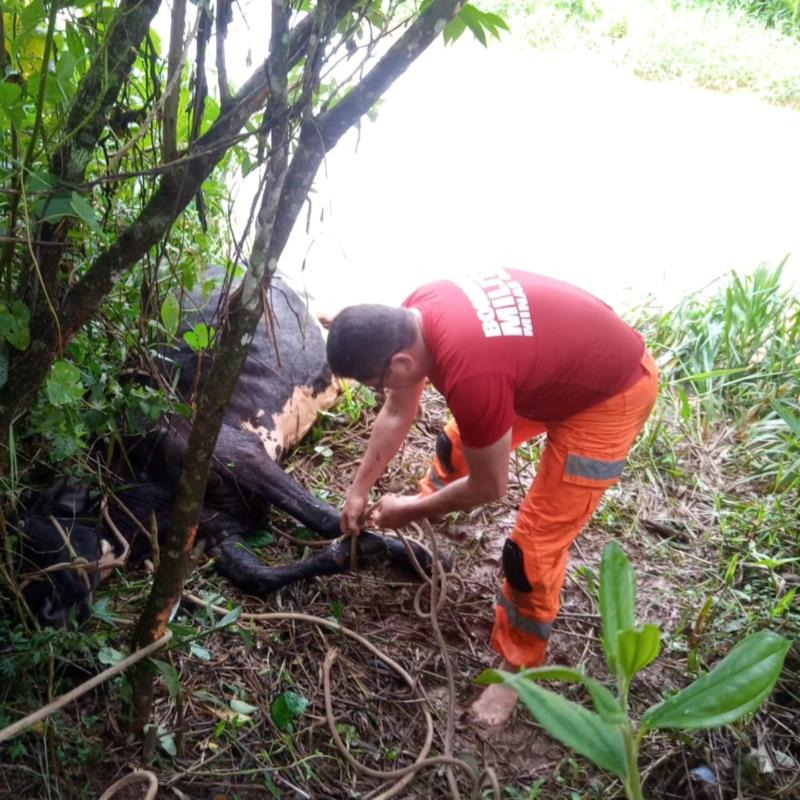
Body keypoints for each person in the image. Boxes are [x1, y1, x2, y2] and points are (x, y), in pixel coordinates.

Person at [325, 268, 658, 725]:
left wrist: (409, 508)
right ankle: (429, 523)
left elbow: (490, 487)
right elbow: (399, 409)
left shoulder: (471, 373)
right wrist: (358, 489)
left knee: (530, 553)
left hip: (611, 393)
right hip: (551, 369)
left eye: (375, 383)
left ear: (400, 364)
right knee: (456, 447)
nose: (381, 391)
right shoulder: (419, 308)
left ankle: (518, 671)